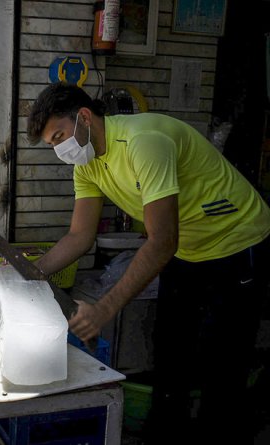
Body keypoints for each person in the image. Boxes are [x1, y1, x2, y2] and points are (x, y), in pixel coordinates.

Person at [26, 82, 270, 444]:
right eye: (52, 144)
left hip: (237, 243)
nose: (61, 149)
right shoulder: (88, 165)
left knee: (223, 365)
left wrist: (104, 308)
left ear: (84, 117)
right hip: (187, 250)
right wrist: (28, 274)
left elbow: (160, 242)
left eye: (60, 136)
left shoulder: (143, 142)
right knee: (171, 355)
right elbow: (80, 237)